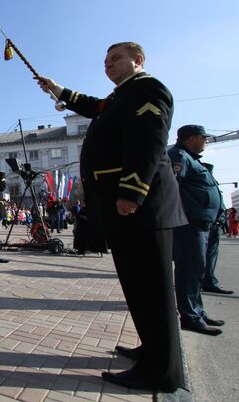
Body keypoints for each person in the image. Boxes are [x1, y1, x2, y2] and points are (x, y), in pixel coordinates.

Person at [38, 42, 185, 392]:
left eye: (115, 59)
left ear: (138, 60)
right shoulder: (120, 96)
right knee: (137, 286)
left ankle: (162, 372)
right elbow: (93, 105)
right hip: (124, 208)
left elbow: (148, 143)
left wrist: (132, 192)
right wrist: (57, 89)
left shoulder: (148, 89)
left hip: (141, 207)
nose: (108, 65)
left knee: (153, 290)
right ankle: (151, 350)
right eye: (105, 61)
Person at [167, 125, 228, 336]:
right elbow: (171, 186)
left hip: (198, 224)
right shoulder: (179, 156)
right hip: (187, 224)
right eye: (204, 138)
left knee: (196, 270)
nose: (206, 142)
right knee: (189, 271)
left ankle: (198, 312)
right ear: (191, 138)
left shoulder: (191, 158)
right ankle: (190, 316)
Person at [202, 163, 233, 295]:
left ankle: (209, 281)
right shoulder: (200, 180)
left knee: (210, 256)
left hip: (215, 224)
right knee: (198, 257)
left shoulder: (211, 181)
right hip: (205, 223)